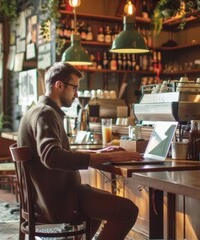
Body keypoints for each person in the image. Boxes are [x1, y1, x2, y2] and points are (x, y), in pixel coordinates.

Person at [17, 62, 143, 239]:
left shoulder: (37, 111)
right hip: (58, 200)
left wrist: (99, 154)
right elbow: (51, 157)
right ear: (59, 85)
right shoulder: (46, 114)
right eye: (74, 88)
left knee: (103, 199)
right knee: (128, 210)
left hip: (48, 196)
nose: (76, 94)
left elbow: (51, 154)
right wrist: (109, 156)